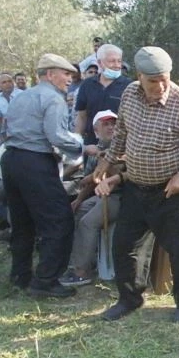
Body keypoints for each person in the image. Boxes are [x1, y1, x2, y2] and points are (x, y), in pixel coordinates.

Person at [93, 46, 179, 323]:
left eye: (164, 79)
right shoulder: (129, 95)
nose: (160, 86)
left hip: (174, 191)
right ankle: (129, 299)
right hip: (136, 188)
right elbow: (121, 133)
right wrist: (106, 162)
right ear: (139, 76)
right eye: (153, 80)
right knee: (125, 246)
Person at [2, 54, 85, 298]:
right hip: (35, 161)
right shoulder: (53, 98)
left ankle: (20, 276)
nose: (70, 78)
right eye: (66, 73)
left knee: (22, 221)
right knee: (59, 219)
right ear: (50, 74)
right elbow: (57, 136)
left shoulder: (22, 96)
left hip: (12, 160)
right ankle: (46, 281)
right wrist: (82, 144)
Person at [60, 110, 122, 286]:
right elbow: (90, 181)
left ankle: (82, 272)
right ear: (96, 130)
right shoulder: (98, 148)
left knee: (88, 222)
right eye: (106, 124)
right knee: (80, 211)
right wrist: (78, 200)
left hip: (121, 196)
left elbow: (98, 178)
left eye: (113, 123)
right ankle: (82, 262)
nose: (111, 127)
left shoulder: (122, 146)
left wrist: (94, 176)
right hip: (103, 194)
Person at [74, 44, 132, 146]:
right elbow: (82, 117)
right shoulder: (87, 85)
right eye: (112, 61)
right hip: (92, 145)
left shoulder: (129, 86)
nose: (117, 65)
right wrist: (77, 142)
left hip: (120, 146)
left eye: (119, 61)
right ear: (100, 63)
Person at [0, 73, 21, 141]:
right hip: (7, 134)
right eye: (4, 82)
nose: (8, 84)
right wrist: (1, 135)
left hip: (23, 132)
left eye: (9, 81)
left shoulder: (22, 95)